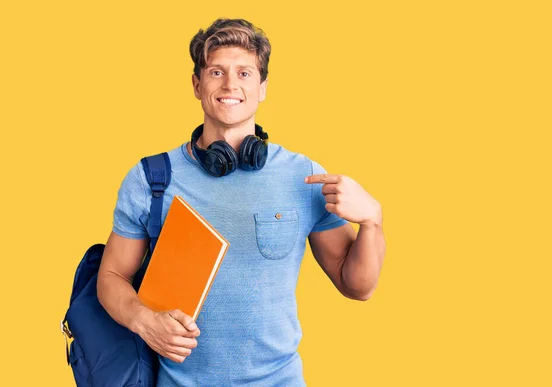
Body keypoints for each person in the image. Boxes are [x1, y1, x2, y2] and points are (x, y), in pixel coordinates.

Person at [97, 18, 386, 386]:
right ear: (197, 85)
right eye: (217, 71)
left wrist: (372, 221)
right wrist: (143, 320)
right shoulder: (152, 179)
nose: (231, 84)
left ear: (262, 87)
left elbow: (357, 286)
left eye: (245, 73)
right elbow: (111, 277)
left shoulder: (305, 176)